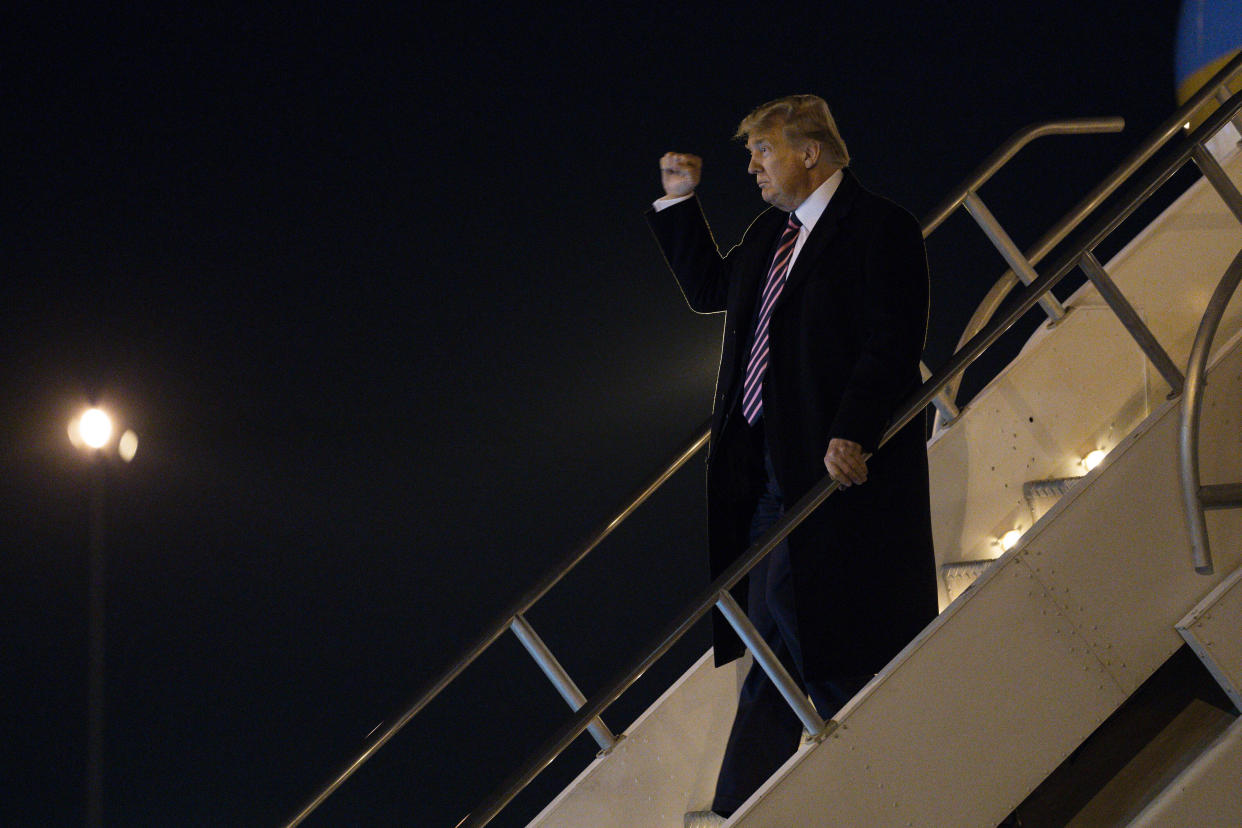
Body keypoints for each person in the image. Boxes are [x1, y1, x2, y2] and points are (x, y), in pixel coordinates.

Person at [646, 94, 938, 822]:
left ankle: (885, 745)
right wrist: (680, 202)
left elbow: (890, 341)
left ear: (810, 152)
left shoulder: (879, 228)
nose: (751, 166)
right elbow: (713, 288)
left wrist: (854, 430)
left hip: (832, 466)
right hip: (768, 471)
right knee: (773, 626)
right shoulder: (770, 236)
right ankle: (740, 803)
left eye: (763, 151)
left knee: (794, 608)